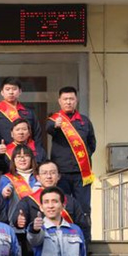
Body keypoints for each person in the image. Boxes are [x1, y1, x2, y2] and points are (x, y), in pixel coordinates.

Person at [0, 77, 44, 192]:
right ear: (2, 92)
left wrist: (38, 157)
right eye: (7, 89)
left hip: (26, 162)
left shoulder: (29, 113)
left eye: (14, 89)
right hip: (4, 161)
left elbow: (37, 137)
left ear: (20, 92)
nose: (11, 92)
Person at [46, 86, 97, 214]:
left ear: (76, 100)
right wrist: (56, 126)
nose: (68, 102)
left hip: (82, 172)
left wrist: (84, 156)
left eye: (71, 99)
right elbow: (49, 129)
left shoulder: (84, 121)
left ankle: (83, 228)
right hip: (61, 172)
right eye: (65, 99)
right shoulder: (54, 120)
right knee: (63, 206)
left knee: (83, 207)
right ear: (59, 101)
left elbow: (92, 143)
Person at [0, 145, 40, 226]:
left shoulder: (39, 177)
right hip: (15, 223)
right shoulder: (6, 178)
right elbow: (4, 191)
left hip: (37, 223)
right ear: (13, 160)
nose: (22, 159)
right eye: (18, 156)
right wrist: (5, 191)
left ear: (31, 159)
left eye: (26, 156)